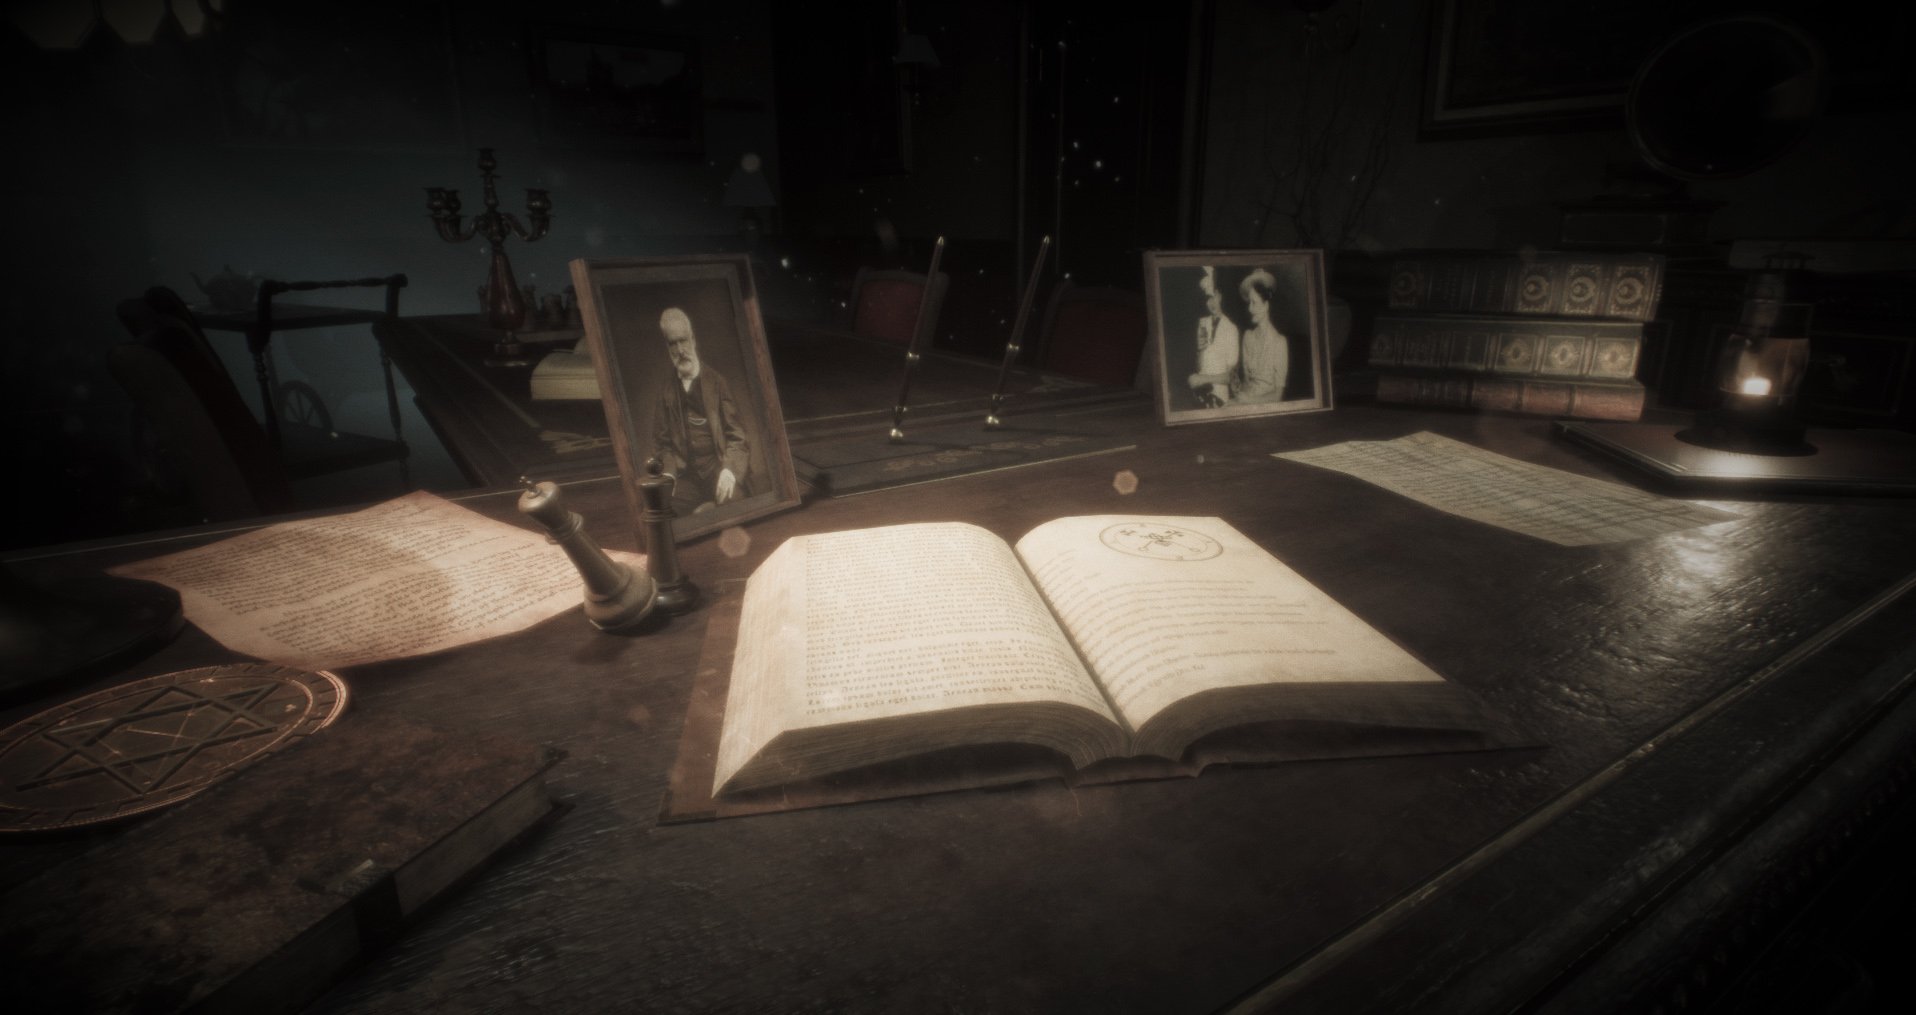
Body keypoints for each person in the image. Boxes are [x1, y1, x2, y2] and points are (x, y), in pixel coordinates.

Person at [652, 307, 751, 516]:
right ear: (667, 347)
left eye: (683, 340)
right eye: (673, 343)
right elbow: (662, 444)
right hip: (687, 478)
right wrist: (669, 475)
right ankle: (705, 507)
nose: (680, 350)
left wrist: (729, 471)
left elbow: (738, 437)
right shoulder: (666, 391)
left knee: (733, 508)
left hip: (719, 470)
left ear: (693, 340)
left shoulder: (717, 383)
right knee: (665, 512)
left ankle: (710, 507)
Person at [1230, 268, 1289, 404]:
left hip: (1266, 408)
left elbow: (1277, 397)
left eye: (1254, 303)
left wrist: (1249, 400)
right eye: (1249, 303)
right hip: (1246, 402)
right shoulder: (1248, 337)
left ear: (1266, 305)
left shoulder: (1279, 342)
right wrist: (1237, 399)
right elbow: (1246, 383)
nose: (1250, 309)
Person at [1185, 266, 1239, 408]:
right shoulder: (1203, 323)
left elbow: (1230, 377)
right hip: (1199, 394)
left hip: (1219, 398)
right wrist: (1200, 350)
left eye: (1214, 296)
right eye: (1208, 299)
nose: (1211, 303)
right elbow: (1199, 366)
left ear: (1220, 295)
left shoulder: (1231, 329)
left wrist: (1201, 379)